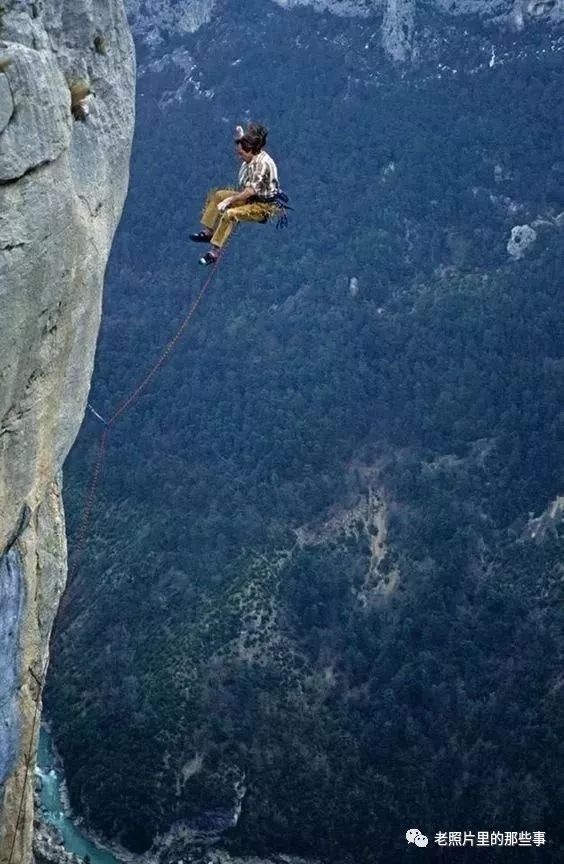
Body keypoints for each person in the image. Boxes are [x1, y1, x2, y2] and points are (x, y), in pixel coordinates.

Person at [190, 123, 281, 265]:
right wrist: (240, 136)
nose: (239, 157)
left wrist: (230, 200)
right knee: (219, 195)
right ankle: (208, 231)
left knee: (230, 214)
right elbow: (247, 144)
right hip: (250, 198)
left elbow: (251, 190)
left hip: (262, 206)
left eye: (241, 154)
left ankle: (214, 252)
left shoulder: (262, 164)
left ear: (251, 151)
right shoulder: (253, 154)